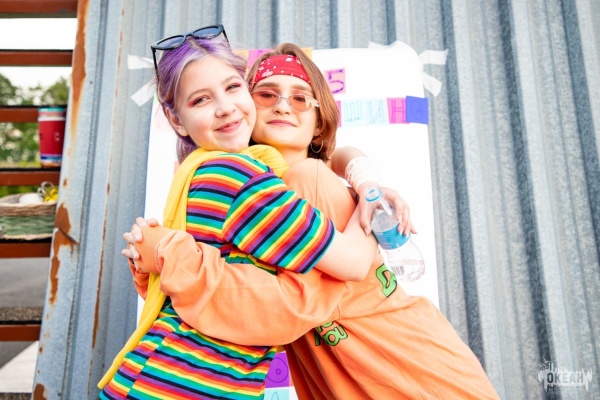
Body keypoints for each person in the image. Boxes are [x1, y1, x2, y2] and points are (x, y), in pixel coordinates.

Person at [123, 43, 500, 399]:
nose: (283, 106)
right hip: (367, 372)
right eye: (266, 94)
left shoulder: (306, 179)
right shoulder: (256, 192)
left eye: (300, 98)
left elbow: (275, 301)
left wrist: (169, 257)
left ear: (319, 123)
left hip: (407, 368)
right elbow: (211, 302)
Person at [98, 26, 383, 399]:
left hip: (170, 378)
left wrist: (360, 171)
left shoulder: (202, 171)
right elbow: (353, 264)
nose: (225, 107)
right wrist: (374, 205)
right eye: (201, 100)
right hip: (178, 384)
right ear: (177, 120)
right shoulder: (238, 177)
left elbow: (201, 282)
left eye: (233, 87)